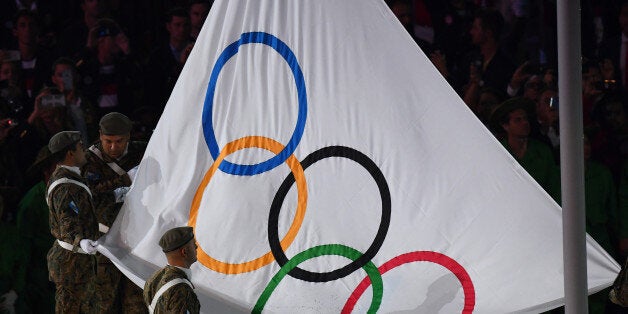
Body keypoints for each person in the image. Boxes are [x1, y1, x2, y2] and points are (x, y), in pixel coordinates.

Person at [81, 112, 147, 313]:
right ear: (100, 135)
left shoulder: (142, 152)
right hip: (104, 241)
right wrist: (125, 179)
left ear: (128, 136)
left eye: (119, 141)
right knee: (104, 302)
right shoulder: (86, 160)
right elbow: (90, 198)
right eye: (108, 141)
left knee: (136, 302)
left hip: (136, 240)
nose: (113, 147)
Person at [46, 130, 99, 313]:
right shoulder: (65, 186)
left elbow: (84, 202)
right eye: (80, 147)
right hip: (71, 265)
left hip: (76, 263)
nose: (84, 151)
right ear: (70, 153)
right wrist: (81, 241)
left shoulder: (70, 178)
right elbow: (66, 222)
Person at [143, 226, 200, 314]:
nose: (196, 247)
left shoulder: (154, 278)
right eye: (193, 244)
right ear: (184, 252)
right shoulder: (181, 290)